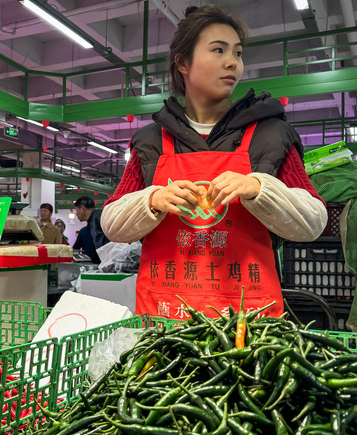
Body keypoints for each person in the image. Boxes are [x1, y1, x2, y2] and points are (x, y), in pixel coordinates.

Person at [101, 5, 327, 319]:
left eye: (237, 52)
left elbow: (314, 221)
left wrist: (259, 188)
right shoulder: (151, 141)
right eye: (218, 50)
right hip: (167, 322)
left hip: (248, 324)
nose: (233, 62)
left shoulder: (271, 134)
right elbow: (111, 223)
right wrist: (151, 200)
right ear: (183, 63)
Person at [73, 196, 110, 264]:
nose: (76, 214)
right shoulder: (89, 226)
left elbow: (104, 243)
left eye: (76, 210)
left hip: (106, 261)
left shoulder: (97, 217)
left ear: (83, 209)